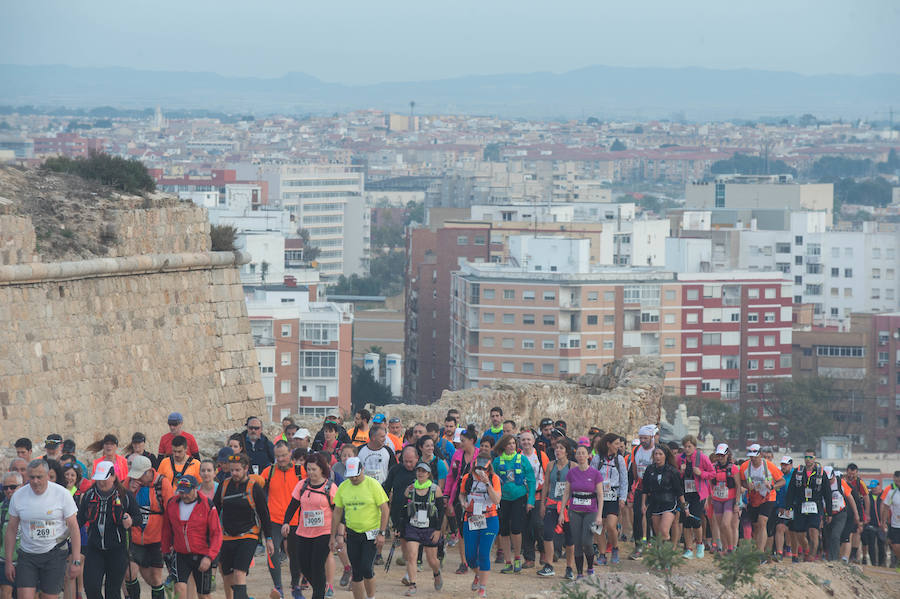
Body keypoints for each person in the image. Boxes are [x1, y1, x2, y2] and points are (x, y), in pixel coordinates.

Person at [5, 460, 82, 599]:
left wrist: (76, 560)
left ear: (47, 475)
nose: (35, 481)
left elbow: (74, 528)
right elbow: (11, 530)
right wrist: (9, 561)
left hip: (54, 554)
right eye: (31, 477)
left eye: (39, 477)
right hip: (27, 555)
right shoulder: (18, 496)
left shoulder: (62, 494)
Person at [77, 461, 142, 599]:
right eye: (99, 478)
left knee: (112, 591)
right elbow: (79, 519)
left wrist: (130, 521)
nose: (101, 482)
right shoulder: (89, 495)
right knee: (91, 588)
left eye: (104, 478)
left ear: (113, 477)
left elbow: (138, 518)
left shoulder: (125, 496)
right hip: (94, 549)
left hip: (117, 550)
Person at [213, 453, 274, 599]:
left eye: (237, 470)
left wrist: (269, 538)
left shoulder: (254, 487)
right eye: (232, 470)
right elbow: (214, 511)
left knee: (239, 573)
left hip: (248, 535)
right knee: (227, 576)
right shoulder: (224, 485)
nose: (234, 473)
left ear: (246, 468)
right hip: (227, 536)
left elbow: (264, 514)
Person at [330, 457, 390, 599]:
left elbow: (385, 509)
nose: (354, 478)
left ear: (362, 470)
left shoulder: (373, 484)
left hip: (371, 533)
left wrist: (382, 532)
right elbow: (337, 512)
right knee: (356, 572)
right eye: (351, 476)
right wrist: (333, 536)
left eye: (356, 475)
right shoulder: (344, 486)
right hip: (352, 533)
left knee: (366, 568)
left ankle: (371, 597)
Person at [282, 453, 337, 599]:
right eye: (309, 469)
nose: (311, 472)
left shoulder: (330, 487)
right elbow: (292, 506)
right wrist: (286, 522)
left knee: (317, 565)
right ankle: (320, 589)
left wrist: (338, 533)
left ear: (322, 469)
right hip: (304, 532)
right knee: (304, 566)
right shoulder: (302, 485)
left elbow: (338, 511)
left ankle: (318, 594)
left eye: (314, 469)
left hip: (324, 532)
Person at [160, 475, 223, 599]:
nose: (184, 496)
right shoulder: (172, 503)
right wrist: (166, 551)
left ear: (195, 489)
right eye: (181, 492)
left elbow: (217, 533)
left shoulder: (207, 504)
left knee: (203, 595)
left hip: (202, 554)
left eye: (187, 492)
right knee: (179, 588)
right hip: (180, 554)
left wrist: (209, 557)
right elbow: (166, 530)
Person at [125, 455, 173, 599]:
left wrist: (171, 540)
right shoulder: (129, 482)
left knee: (155, 579)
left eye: (139, 475)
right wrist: (130, 491)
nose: (136, 478)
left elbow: (171, 511)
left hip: (156, 539)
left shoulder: (162, 484)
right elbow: (120, 503)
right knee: (129, 574)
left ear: (149, 472)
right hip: (134, 538)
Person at [260, 441, 301, 599]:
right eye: (278, 456)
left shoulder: (300, 471)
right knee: (272, 552)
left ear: (290, 453)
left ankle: (295, 586)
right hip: (274, 520)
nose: (282, 459)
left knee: (295, 555)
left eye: (284, 455)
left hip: (296, 520)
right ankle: (278, 587)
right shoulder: (268, 471)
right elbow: (256, 485)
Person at [398, 462, 445, 596]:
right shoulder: (410, 489)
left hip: (430, 528)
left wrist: (438, 530)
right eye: (418, 471)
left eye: (423, 471)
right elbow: (403, 511)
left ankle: (436, 573)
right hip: (413, 527)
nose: (420, 473)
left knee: (432, 560)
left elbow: (441, 512)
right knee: (412, 556)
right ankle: (412, 585)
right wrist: (400, 528)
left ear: (428, 474)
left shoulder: (435, 490)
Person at [459, 455, 502, 599]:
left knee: (483, 553)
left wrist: (487, 483)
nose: (480, 471)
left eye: (483, 469)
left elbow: (496, 499)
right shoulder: (467, 478)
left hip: (489, 518)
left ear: (488, 468)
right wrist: (463, 502)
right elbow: (462, 494)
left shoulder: (494, 478)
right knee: (470, 556)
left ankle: (482, 588)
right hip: (471, 518)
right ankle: (478, 573)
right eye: (478, 468)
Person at [492, 434, 535, 575]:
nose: (512, 446)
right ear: (504, 446)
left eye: (513, 443)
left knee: (516, 529)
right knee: (503, 530)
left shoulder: (522, 459)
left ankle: (517, 557)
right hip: (503, 499)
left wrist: (531, 501)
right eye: (509, 443)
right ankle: (507, 561)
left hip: (519, 497)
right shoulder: (497, 462)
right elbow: (492, 480)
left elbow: (531, 480)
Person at [559, 443, 601, 580]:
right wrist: (561, 512)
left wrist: (599, 515)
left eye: (584, 453)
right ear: (575, 456)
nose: (581, 456)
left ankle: (590, 567)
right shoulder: (572, 473)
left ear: (589, 456)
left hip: (591, 511)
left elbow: (600, 495)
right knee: (577, 542)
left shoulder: (595, 473)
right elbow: (566, 493)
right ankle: (579, 573)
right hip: (575, 510)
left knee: (587, 542)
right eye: (578, 453)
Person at [784, 449, 831, 562]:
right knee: (799, 533)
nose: (808, 460)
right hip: (800, 505)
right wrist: (788, 507)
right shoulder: (798, 472)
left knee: (813, 531)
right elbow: (791, 490)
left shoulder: (821, 473)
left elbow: (827, 494)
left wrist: (828, 512)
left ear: (815, 459)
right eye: (806, 457)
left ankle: (811, 556)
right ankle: (806, 550)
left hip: (815, 506)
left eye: (810, 457)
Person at [444, 427, 479, 575]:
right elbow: (452, 477)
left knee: (476, 528)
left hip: (477, 496)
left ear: (472, 441)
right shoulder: (457, 455)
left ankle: (475, 559)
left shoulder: (481, 455)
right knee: (462, 529)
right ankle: (464, 562)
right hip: (459, 494)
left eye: (463, 441)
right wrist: (448, 497)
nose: (461, 444)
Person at [738, 444, 785, 554]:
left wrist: (773, 486)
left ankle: (760, 552)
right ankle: (756, 549)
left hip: (768, 497)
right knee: (756, 526)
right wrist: (746, 485)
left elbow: (782, 481)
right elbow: (741, 481)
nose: (753, 459)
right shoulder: (745, 467)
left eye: (755, 456)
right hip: (753, 498)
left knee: (762, 522)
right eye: (751, 457)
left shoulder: (769, 466)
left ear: (760, 454)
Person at [592, 433, 628, 565]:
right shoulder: (597, 459)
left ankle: (615, 547)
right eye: (616, 444)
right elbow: (591, 476)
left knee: (612, 525)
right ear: (608, 444)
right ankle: (602, 554)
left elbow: (624, 480)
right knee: (599, 527)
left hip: (613, 495)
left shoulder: (620, 460)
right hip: (598, 495)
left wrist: (623, 498)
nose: (618, 447)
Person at [539, 439, 574, 579]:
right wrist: (542, 504)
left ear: (566, 451)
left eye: (561, 448)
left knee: (570, 537)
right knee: (547, 533)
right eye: (556, 448)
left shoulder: (573, 466)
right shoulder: (550, 465)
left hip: (568, 507)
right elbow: (546, 485)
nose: (557, 450)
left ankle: (569, 567)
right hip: (552, 504)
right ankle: (549, 565)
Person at [676, 435, 714, 559]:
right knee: (686, 521)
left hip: (698, 494)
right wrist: (679, 471)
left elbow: (712, 473)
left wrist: (701, 473)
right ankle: (688, 548)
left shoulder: (701, 457)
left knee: (696, 519)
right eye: (685, 447)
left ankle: (699, 543)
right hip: (685, 494)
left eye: (689, 446)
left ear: (694, 446)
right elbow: (674, 474)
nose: (687, 449)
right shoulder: (679, 458)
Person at [641, 445, 688, 545]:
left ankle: (668, 552)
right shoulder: (650, 470)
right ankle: (660, 554)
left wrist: (685, 507)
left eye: (660, 454)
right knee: (658, 534)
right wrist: (643, 504)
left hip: (669, 503)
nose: (657, 456)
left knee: (664, 530)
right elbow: (645, 489)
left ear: (665, 456)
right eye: (655, 454)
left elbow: (679, 491)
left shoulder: (672, 471)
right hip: (655, 503)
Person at [517, 430, 548, 569]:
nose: (526, 442)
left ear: (533, 441)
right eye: (523, 440)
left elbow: (547, 475)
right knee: (525, 526)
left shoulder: (541, 456)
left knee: (538, 524)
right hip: (522, 495)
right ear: (520, 442)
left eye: (529, 440)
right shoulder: (517, 457)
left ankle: (543, 550)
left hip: (538, 495)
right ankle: (529, 557)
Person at [628, 425, 656, 559]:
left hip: (654, 489)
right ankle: (638, 545)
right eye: (641, 438)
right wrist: (634, 483)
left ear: (651, 437)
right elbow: (634, 467)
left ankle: (652, 544)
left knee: (652, 517)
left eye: (645, 438)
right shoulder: (636, 449)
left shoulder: (657, 450)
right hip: (640, 487)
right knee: (637, 516)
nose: (643, 440)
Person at [822, 467, 859, 562]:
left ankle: (834, 559)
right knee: (828, 536)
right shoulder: (821, 483)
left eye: (830, 479)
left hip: (840, 513)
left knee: (836, 535)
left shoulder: (840, 483)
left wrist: (856, 514)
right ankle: (829, 557)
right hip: (827, 514)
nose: (829, 482)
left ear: (833, 476)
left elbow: (850, 498)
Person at [0, 471, 23, 599]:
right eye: (5, 488)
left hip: (26, 560)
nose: (9, 491)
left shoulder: (30, 507)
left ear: (21, 486)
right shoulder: (1, 508)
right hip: (4, 559)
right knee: (5, 591)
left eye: (13, 487)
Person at [843, 463, 868, 563]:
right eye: (849, 473)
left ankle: (853, 555)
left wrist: (867, 513)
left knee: (857, 531)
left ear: (857, 473)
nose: (851, 476)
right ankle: (846, 555)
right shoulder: (842, 481)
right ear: (847, 472)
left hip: (857, 509)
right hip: (845, 510)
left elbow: (866, 497)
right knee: (847, 533)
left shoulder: (859, 482)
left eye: (853, 474)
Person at [773, 456, 796, 562]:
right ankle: (779, 552)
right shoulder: (778, 474)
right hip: (781, 506)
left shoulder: (795, 475)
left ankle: (789, 547)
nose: (784, 467)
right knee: (780, 527)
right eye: (782, 464)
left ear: (791, 465)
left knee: (791, 529)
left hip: (793, 506)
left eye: (786, 465)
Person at [880, 471, 900, 572]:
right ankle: (898, 560)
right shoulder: (891, 492)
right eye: (896, 479)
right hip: (895, 523)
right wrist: (883, 521)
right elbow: (885, 506)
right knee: (895, 545)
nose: (897, 481)